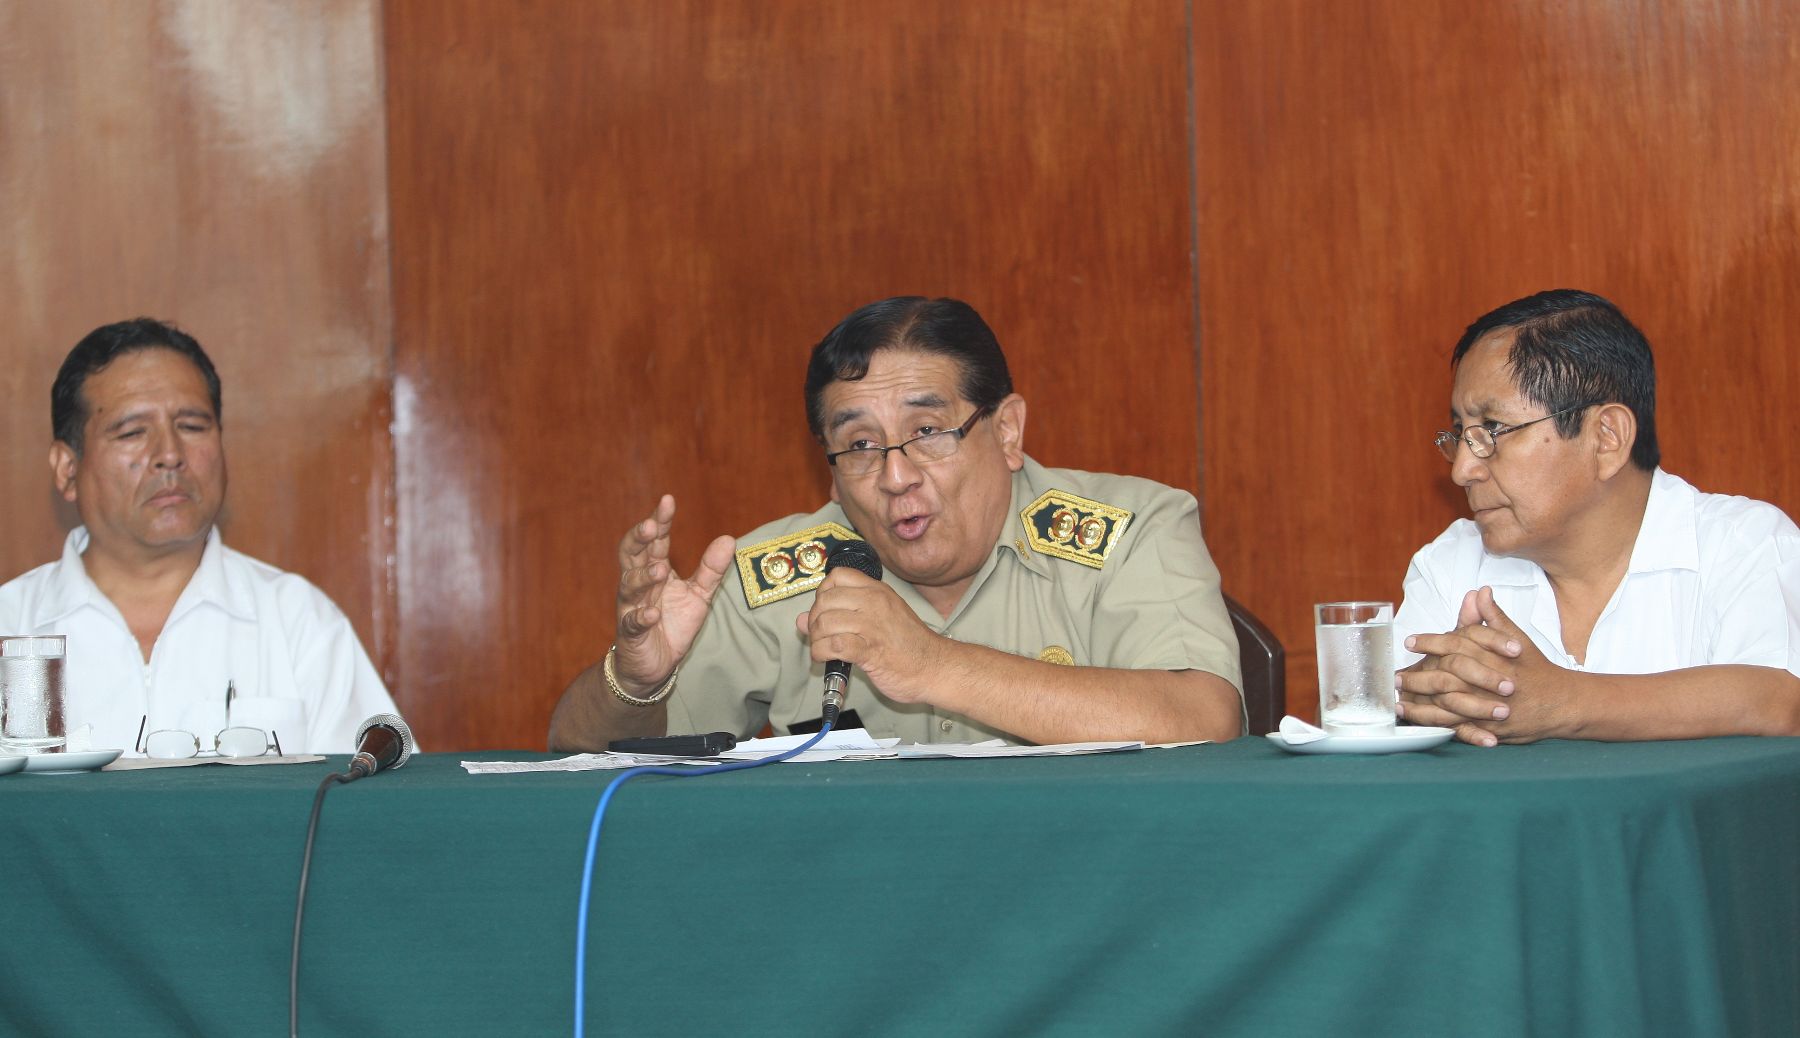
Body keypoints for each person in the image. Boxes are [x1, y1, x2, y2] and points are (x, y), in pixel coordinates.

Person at [549, 297, 1243, 750]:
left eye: (929, 431)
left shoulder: (1129, 530)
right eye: (859, 445)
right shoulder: (774, 573)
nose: (896, 475)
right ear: (830, 470)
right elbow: (582, 769)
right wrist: (634, 684)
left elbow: (1205, 722)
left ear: (1006, 431)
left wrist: (932, 664)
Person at [1394, 289, 1800, 745]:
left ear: (1607, 436)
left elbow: (1779, 700)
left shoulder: (1744, 543)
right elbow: (1367, 706)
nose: (1462, 470)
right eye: (1458, 434)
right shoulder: (1454, 562)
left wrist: (1564, 702)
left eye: (1492, 430)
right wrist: (1427, 691)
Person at [0, 318, 400, 756]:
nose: (170, 454)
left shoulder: (296, 621)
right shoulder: (12, 622)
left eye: (192, 426)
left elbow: (376, 806)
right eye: (133, 432)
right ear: (67, 468)